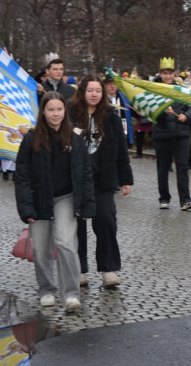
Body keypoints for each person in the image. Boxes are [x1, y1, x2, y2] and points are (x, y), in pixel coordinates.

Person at [14, 91, 95, 311]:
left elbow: (85, 173)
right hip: (39, 198)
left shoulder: (76, 140)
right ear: (43, 112)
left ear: (64, 111)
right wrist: (25, 207)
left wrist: (87, 204)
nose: (56, 114)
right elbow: (21, 175)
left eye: (59, 109)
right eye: (51, 110)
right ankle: (46, 289)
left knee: (66, 242)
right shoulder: (31, 139)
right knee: (41, 248)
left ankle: (71, 294)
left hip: (66, 197)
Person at [70, 75, 134, 289]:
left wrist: (126, 179)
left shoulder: (111, 116)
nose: (94, 94)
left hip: (103, 178)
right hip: (75, 179)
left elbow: (121, 150)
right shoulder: (70, 114)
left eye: (98, 90)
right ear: (83, 92)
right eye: (90, 90)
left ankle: (108, 269)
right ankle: (78, 269)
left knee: (106, 222)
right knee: (76, 226)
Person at [152, 57, 191, 211]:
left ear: (174, 74)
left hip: (181, 134)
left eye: (170, 73)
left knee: (182, 167)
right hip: (162, 134)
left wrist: (187, 116)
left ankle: (185, 200)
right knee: (162, 168)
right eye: (165, 73)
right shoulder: (154, 90)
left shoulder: (181, 90)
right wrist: (162, 113)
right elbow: (151, 113)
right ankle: (164, 198)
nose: (167, 76)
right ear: (160, 73)